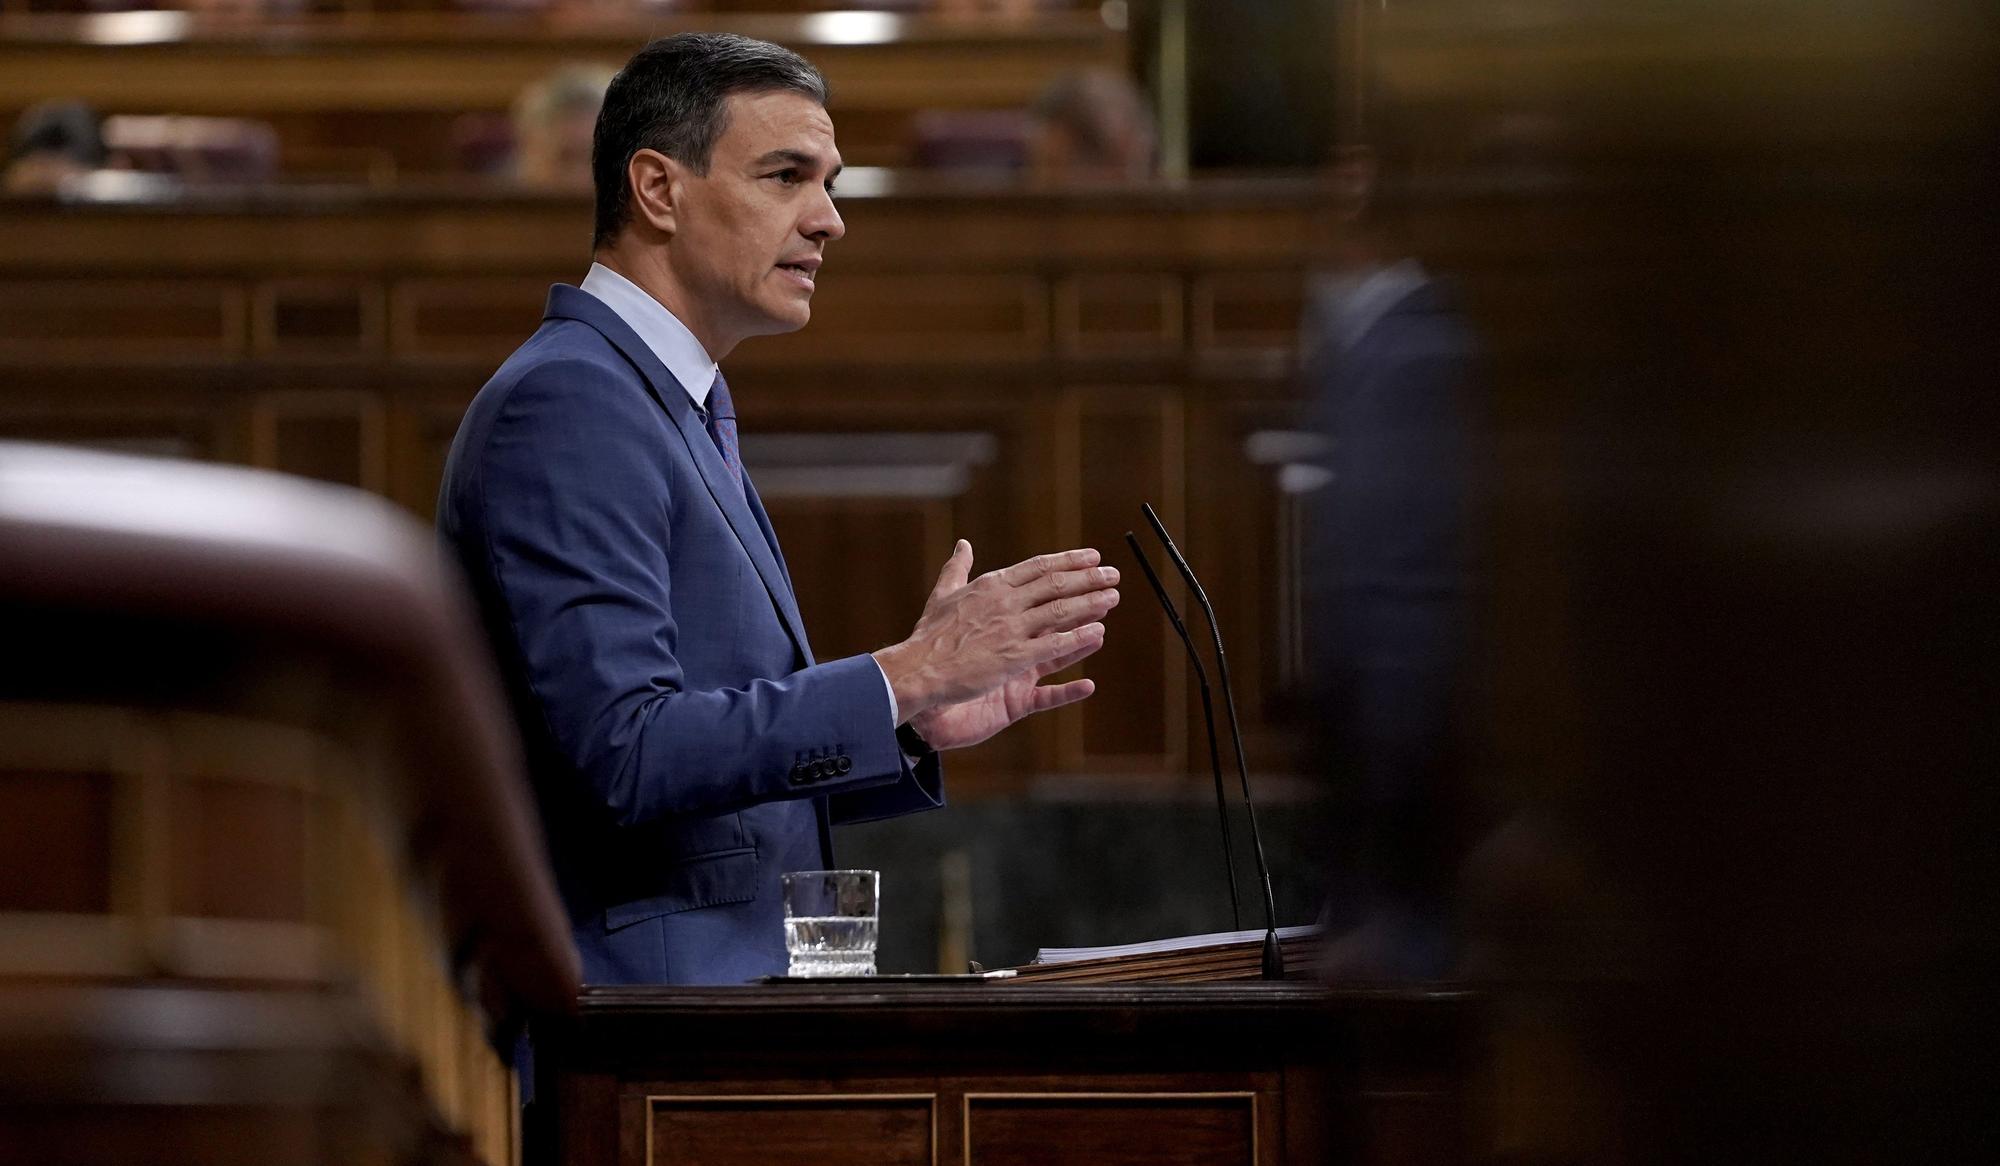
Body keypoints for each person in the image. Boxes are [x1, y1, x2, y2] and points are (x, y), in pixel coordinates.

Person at [437, 33, 1120, 985]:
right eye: (786, 175)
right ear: (658, 190)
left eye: (830, 180)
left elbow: (707, 764)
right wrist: (899, 675)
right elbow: (626, 752)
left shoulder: (668, 397)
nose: (830, 219)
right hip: (638, 1030)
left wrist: (911, 718)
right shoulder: (573, 403)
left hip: (707, 1013)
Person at [1302, 136, 1484, 981]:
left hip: (1415, 856)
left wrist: (1387, 897)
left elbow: (1391, 612)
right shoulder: (1382, 340)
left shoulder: (1415, 350)